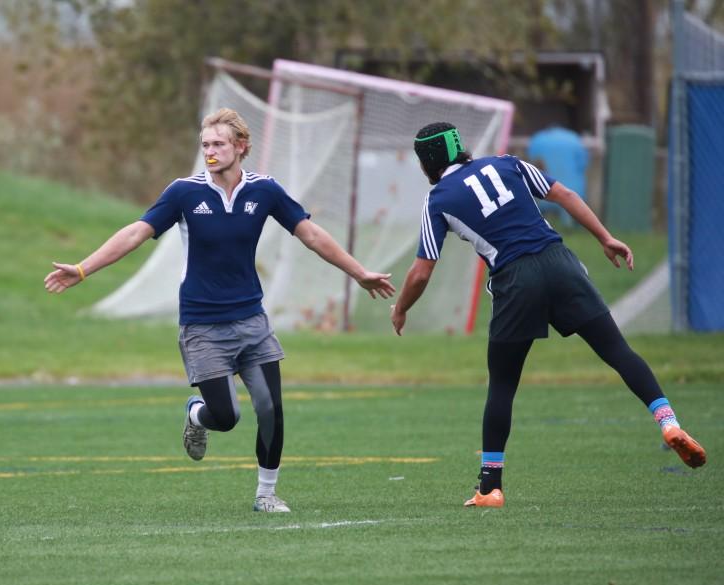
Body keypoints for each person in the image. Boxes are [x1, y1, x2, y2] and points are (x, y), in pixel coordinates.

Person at [45, 108, 394, 513]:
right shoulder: (184, 193)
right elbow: (136, 233)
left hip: (252, 322)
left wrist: (359, 273)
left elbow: (311, 235)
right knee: (227, 417)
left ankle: (266, 494)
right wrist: (84, 268)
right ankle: (197, 414)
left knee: (271, 408)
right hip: (203, 326)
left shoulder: (265, 191)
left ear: (241, 147)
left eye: (218, 144)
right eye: (205, 145)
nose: (210, 152)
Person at [390, 122, 706, 508]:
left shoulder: (437, 199)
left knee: (503, 383)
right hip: (560, 262)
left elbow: (422, 270)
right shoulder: (508, 163)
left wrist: (401, 308)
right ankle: (669, 422)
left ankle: (490, 487)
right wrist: (605, 237)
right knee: (617, 350)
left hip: (515, 277)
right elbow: (565, 194)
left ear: (428, 163)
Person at [526, 125, 589, 228]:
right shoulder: (573, 139)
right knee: (569, 206)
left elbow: (532, 160)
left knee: (540, 214)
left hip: (544, 190)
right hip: (572, 190)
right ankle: (569, 226)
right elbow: (582, 163)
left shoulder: (538, 140)